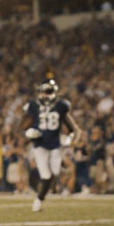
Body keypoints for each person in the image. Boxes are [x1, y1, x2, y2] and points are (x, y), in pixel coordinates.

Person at [21, 79, 80, 211]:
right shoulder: (33, 106)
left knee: (55, 172)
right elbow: (23, 124)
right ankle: (37, 202)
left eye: (49, 91)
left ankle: (39, 198)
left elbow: (71, 128)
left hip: (55, 145)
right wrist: (28, 132)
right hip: (40, 145)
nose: (46, 95)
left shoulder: (61, 106)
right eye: (45, 92)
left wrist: (70, 139)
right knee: (46, 175)